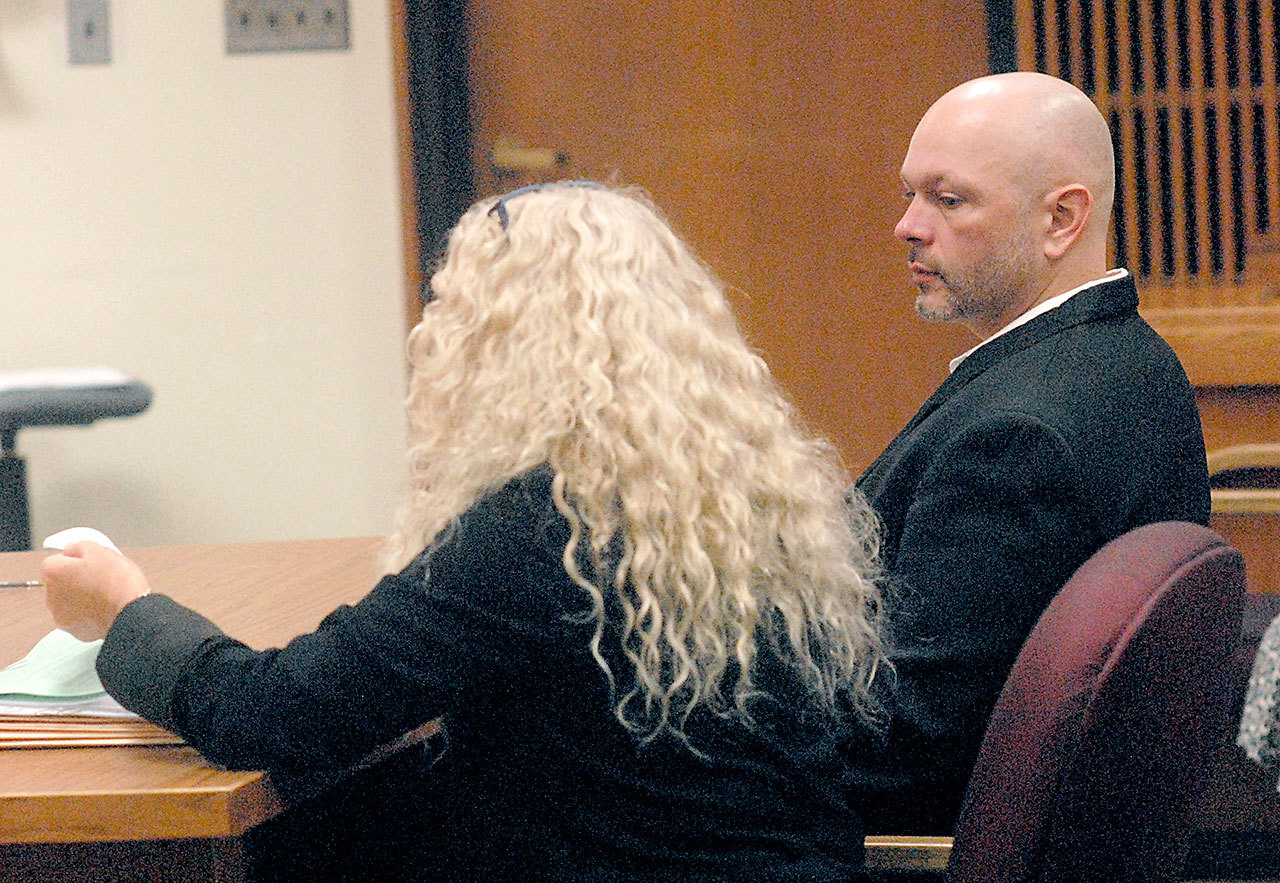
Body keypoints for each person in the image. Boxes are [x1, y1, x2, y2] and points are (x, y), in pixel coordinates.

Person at [41, 182, 886, 881]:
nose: (428, 335)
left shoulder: (543, 526)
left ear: (509, 345)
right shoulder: (743, 501)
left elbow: (271, 713)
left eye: (448, 309)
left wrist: (126, 606)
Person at [851, 72, 1212, 834]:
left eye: (949, 201)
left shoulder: (1018, 439)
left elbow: (904, 743)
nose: (907, 226)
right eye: (911, 194)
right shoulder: (1132, 358)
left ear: (1062, 218)